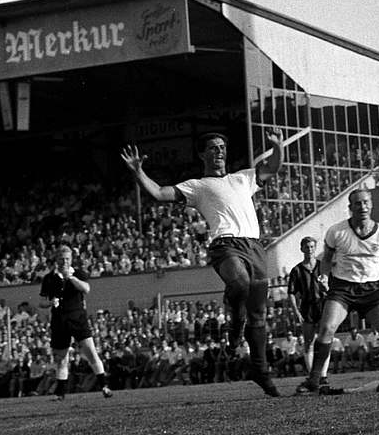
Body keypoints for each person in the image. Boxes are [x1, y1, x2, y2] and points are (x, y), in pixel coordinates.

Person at [122, 130, 284, 397]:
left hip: (255, 245)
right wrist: (138, 172)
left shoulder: (244, 177)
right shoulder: (197, 186)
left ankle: (260, 371)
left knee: (259, 314)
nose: (219, 151)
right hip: (226, 244)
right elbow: (161, 193)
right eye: (212, 148)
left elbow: (273, 167)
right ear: (202, 154)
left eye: (222, 147)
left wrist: (277, 146)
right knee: (240, 283)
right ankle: (234, 325)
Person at [296, 188, 379, 395]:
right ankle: (315, 380)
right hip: (342, 288)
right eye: (358, 203)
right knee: (326, 329)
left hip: (371, 288)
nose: (363, 207)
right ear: (350, 208)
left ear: (371, 204)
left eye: (366, 202)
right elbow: (326, 259)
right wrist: (323, 276)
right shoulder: (336, 231)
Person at [39, 246, 113, 400]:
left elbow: (86, 289)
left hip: (77, 318)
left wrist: (71, 278)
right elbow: (41, 301)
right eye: (61, 259)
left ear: (71, 260)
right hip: (59, 320)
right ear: (56, 260)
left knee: (91, 352)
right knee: (61, 358)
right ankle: (60, 393)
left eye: (67, 259)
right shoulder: (49, 278)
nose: (64, 262)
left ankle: (104, 386)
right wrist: (50, 302)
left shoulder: (78, 273)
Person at [286, 236, 329, 382]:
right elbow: (291, 293)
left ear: (315, 248)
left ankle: (323, 375)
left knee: (325, 339)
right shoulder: (297, 270)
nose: (309, 250)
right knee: (308, 342)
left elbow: (333, 286)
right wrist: (296, 311)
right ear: (302, 249)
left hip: (323, 305)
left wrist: (327, 288)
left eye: (312, 247)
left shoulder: (323, 266)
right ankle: (313, 376)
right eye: (307, 247)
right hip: (307, 307)